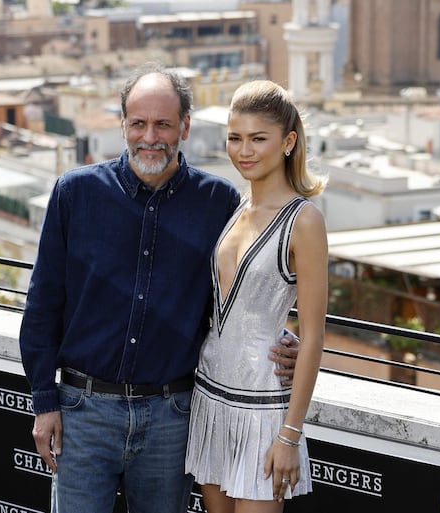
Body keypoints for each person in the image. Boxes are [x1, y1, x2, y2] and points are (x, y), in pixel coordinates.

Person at [18, 63, 299, 513]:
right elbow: (42, 306)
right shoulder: (75, 193)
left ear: (184, 126)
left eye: (163, 124)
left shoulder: (220, 203)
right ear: (124, 124)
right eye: (139, 123)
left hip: (173, 418)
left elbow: (241, 300)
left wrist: (284, 340)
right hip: (82, 413)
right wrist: (43, 401)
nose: (150, 136)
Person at [185, 80, 329, 512]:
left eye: (257, 139)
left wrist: (289, 435)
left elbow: (316, 335)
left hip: (264, 411)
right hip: (209, 398)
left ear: (288, 142)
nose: (244, 150)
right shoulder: (235, 208)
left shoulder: (304, 221)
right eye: (235, 138)